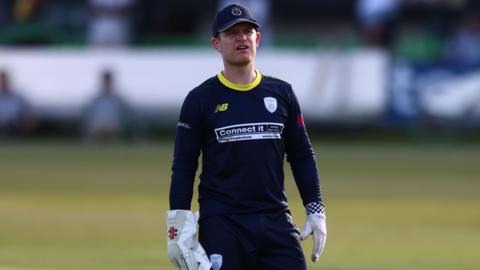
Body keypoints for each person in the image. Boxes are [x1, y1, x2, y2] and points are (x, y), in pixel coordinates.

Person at [166, 4, 326, 270]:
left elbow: (301, 154)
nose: (241, 37)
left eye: (247, 31)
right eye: (232, 33)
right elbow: (184, 166)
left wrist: (315, 209)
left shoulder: (282, 93)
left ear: (258, 39)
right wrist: (177, 227)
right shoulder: (200, 99)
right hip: (223, 224)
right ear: (217, 43)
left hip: (275, 219)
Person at [82, 69, 131, 142]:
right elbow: (88, 116)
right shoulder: (95, 99)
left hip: (114, 129)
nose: (107, 83)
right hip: (97, 129)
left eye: (109, 80)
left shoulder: (118, 99)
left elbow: (125, 114)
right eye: (106, 80)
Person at [0, 70, 35, 137]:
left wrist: (29, 118)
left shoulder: (17, 97)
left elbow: (28, 110)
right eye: (2, 81)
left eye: (5, 80)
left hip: (14, 126)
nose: (3, 83)